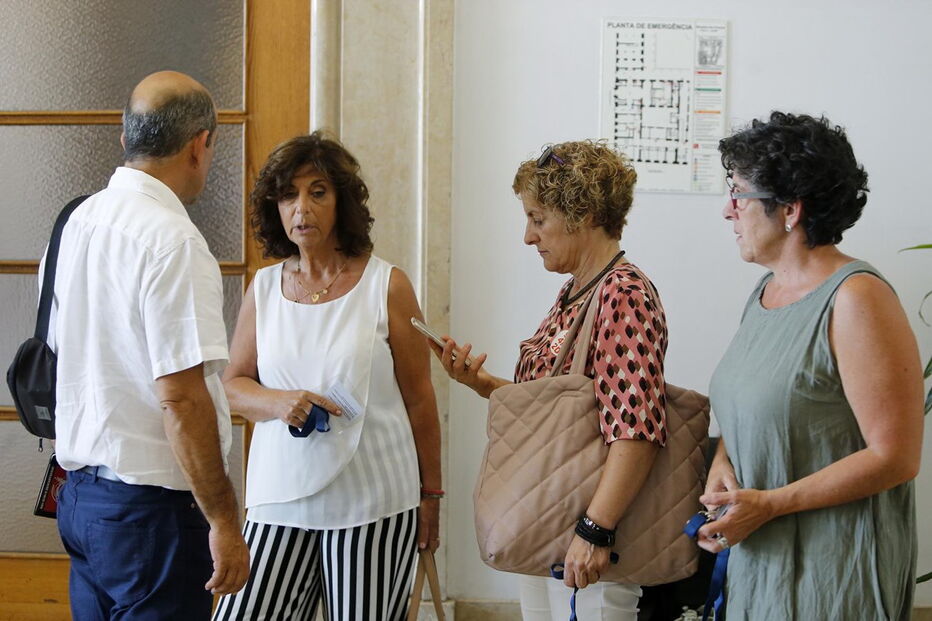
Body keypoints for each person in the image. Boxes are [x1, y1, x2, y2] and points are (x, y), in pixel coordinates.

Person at [698, 112, 924, 620]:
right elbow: (749, 403)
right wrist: (722, 467)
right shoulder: (764, 293)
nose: (728, 211)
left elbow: (896, 456)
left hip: (836, 567)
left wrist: (771, 505)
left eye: (739, 194)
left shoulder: (857, 298)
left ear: (790, 211)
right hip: (760, 554)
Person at [212, 132, 442, 620]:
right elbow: (231, 385)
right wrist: (278, 403)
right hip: (278, 496)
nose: (302, 208)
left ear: (341, 202)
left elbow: (421, 401)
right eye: (288, 195)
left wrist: (432, 496)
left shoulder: (387, 285)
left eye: (318, 192)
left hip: (375, 500)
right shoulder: (265, 288)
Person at [432, 140, 666, 620]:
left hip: (589, 535)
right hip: (553, 521)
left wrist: (595, 530)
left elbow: (636, 430)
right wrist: (482, 384)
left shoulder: (622, 293)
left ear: (581, 215)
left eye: (538, 219)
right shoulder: (576, 292)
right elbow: (560, 414)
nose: (527, 236)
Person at [51, 71, 250, 619]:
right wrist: (225, 522)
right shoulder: (173, 241)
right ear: (200, 144)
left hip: (81, 498)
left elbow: (61, 349)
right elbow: (181, 400)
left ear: (125, 139)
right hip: (151, 513)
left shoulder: (75, 223)